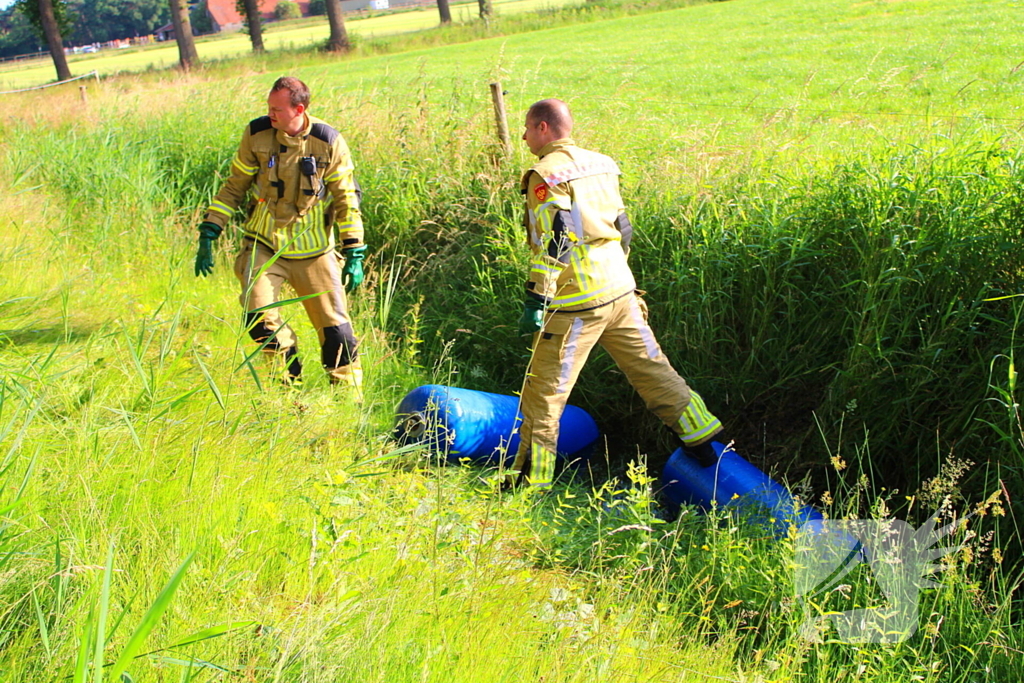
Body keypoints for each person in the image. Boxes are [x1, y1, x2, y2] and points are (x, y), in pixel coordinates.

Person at [508, 98, 730, 489]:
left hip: (576, 300)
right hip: (621, 289)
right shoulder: (602, 163)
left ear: (544, 128)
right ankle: (704, 441)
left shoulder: (546, 173)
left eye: (526, 128)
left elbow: (557, 237)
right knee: (652, 367)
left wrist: (537, 297)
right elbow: (622, 227)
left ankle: (530, 478)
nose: (524, 135)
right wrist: (617, 271)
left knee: (545, 392)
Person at [194, 76, 366, 387]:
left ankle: (348, 399)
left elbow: (346, 198)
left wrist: (354, 250)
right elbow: (234, 187)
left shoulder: (328, 141)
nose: (270, 114)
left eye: (277, 109)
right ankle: (288, 385)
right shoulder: (257, 134)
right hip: (265, 244)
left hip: (314, 250)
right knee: (258, 316)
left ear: (298, 109)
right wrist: (210, 231)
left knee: (336, 330)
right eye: (269, 107)